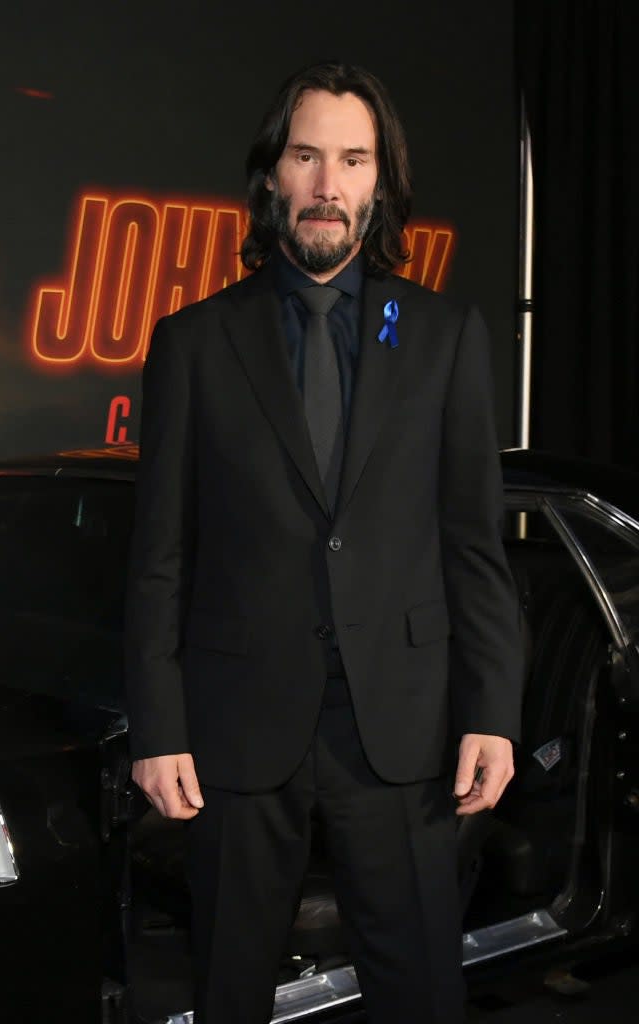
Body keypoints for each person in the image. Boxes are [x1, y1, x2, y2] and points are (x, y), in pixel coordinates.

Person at [125, 61, 523, 1024]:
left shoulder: (442, 335)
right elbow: (158, 556)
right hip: (234, 730)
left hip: (402, 729)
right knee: (227, 995)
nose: (326, 184)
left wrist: (493, 711)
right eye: (306, 155)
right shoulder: (192, 343)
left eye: (352, 159)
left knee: (420, 993)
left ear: (379, 183)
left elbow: (475, 543)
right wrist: (159, 727)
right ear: (272, 174)